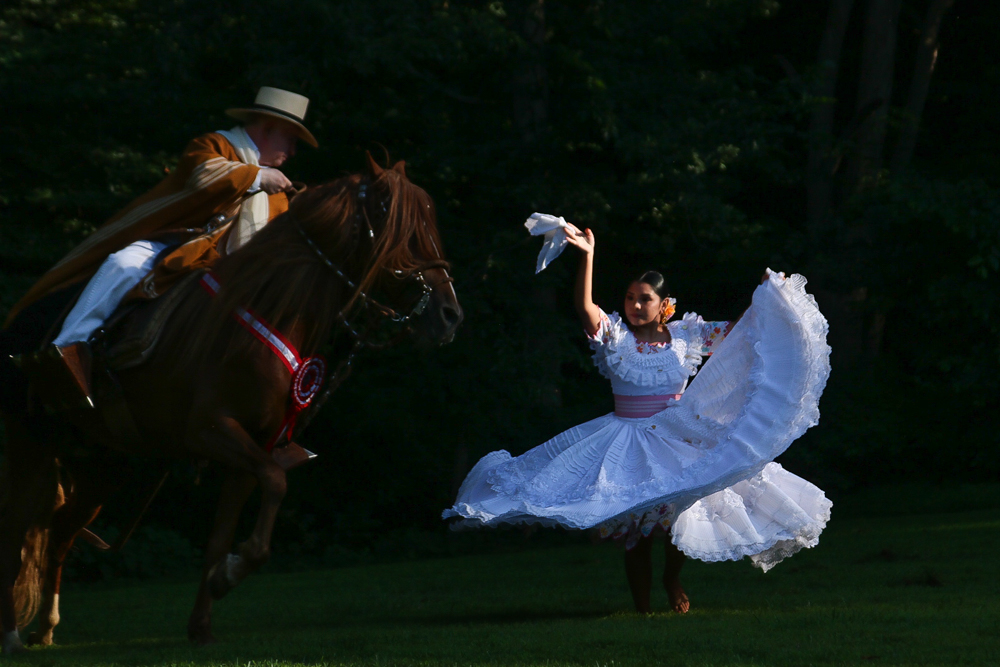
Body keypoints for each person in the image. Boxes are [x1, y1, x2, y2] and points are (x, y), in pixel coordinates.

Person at [444, 223, 832, 614]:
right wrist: (588, 255)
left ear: (664, 305)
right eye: (629, 297)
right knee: (637, 530)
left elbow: (740, 336)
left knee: (680, 512)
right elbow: (584, 308)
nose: (634, 305)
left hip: (676, 435)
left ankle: (671, 577)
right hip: (624, 438)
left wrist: (767, 297)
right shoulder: (617, 337)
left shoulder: (686, 336)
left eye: (644, 298)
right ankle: (643, 609)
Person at [5, 86, 318, 346]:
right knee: (123, 265)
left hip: (216, 264)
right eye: (290, 140)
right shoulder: (215, 145)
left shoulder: (277, 187)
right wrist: (258, 177)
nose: (291, 152)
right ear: (267, 128)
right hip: (164, 245)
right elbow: (203, 174)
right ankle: (66, 351)